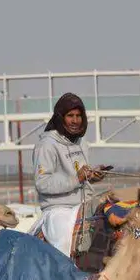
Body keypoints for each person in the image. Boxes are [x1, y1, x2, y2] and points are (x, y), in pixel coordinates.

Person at [28, 92, 107, 257]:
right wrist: (77, 178)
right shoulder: (46, 146)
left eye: (79, 115)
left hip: (85, 205)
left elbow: (79, 177)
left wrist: (91, 176)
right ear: (60, 117)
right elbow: (42, 183)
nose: (75, 120)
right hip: (59, 209)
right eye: (70, 115)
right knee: (64, 247)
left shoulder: (82, 143)